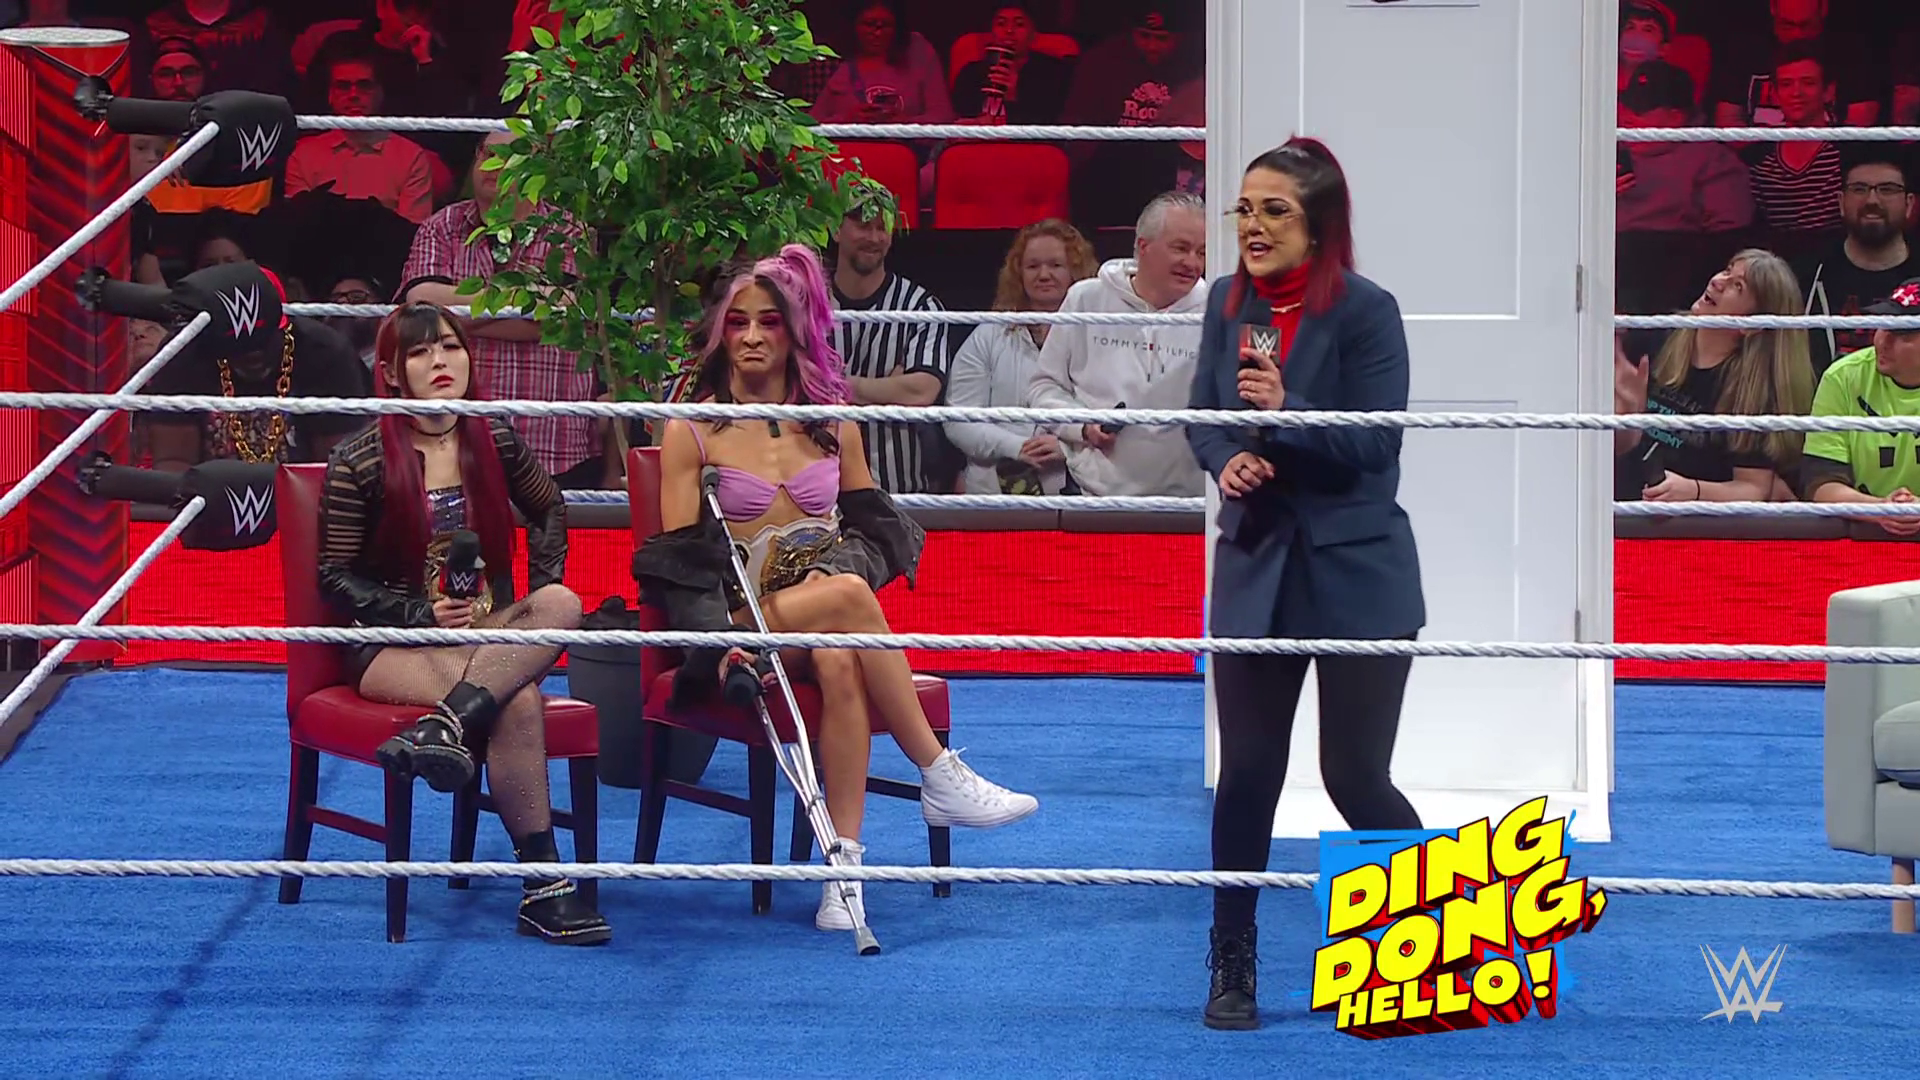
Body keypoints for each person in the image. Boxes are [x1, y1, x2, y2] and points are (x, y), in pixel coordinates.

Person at [633, 245, 1039, 935]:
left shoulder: (832, 421)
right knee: (848, 599)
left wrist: (832, 574)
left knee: (840, 654)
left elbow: (877, 530)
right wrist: (723, 646)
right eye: (738, 322)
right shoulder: (691, 431)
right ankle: (937, 770)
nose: (752, 336)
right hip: (739, 631)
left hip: (818, 624)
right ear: (721, 332)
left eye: (768, 322)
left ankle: (842, 874)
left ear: (795, 331)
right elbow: (678, 564)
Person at [1185, 139, 1426, 1031]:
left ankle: (1429, 948)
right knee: (1248, 772)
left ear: (1319, 224)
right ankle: (1232, 963)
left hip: (1358, 570)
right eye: (1244, 209)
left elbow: (1376, 443)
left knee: (1355, 775)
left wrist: (1287, 416)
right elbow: (1203, 416)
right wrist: (1229, 456)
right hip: (1257, 567)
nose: (1252, 226)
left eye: (1274, 210)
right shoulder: (1228, 301)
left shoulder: (1367, 311)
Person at [316, 301, 611, 946]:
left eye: (450, 346)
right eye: (421, 352)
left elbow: (549, 507)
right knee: (518, 700)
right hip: (393, 645)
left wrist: (535, 587)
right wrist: (419, 614)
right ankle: (545, 889)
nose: (440, 361)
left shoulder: (493, 437)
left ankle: (442, 726)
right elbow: (333, 578)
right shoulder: (360, 459)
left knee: (562, 602)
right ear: (391, 373)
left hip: (486, 629)